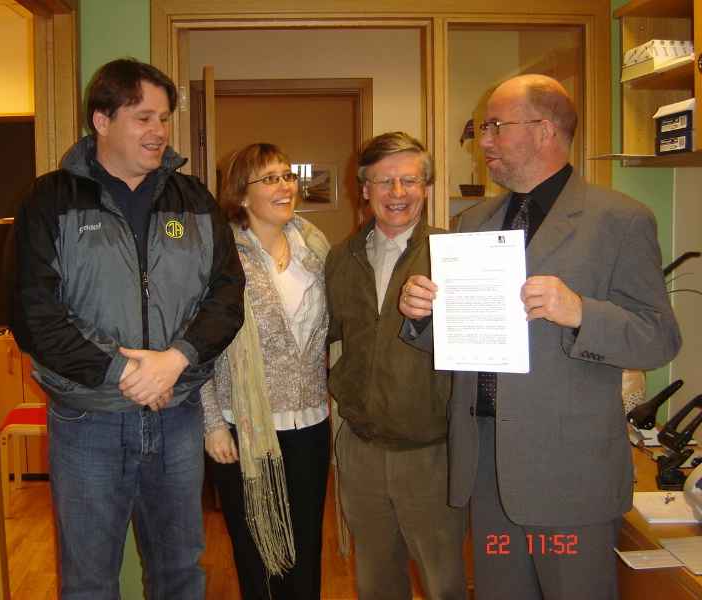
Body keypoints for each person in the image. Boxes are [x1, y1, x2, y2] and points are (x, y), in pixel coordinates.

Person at [399, 74, 681, 600]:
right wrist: (422, 315)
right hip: (487, 468)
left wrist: (581, 313)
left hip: (568, 474)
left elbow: (659, 338)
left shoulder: (620, 220)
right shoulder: (471, 222)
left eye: (494, 126)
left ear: (545, 130)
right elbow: (464, 338)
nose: (483, 140)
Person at [12, 58, 245, 600]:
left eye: (163, 118)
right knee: (89, 580)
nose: (159, 131)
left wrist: (176, 359)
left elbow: (227, 295)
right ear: (102, 120)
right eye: (143, 118)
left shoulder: (194, 200)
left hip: (177, 416)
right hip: (87, 422)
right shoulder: (49, 200)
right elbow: (35, 315)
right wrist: (125, 372)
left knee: (180, 573)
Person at [326, 132, 465, 600]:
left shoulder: (453, 254)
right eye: (385, 181)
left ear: (426, 187)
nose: (398, 193)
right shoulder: (341, 258)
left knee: (443, 581)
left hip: (432, 452)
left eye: (410, 180)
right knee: (376, 581)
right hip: (360, 449)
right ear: (364, 188)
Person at [201, 143, 331, 600]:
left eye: (287, 176)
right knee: (256, 551)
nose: (284, 186)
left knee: (306, 547)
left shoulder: (315, 246)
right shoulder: (219, 257)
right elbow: (200, 344)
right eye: (269, 178)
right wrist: (212, 424)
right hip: (245, 426)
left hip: (311, 421)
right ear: (241, 194)